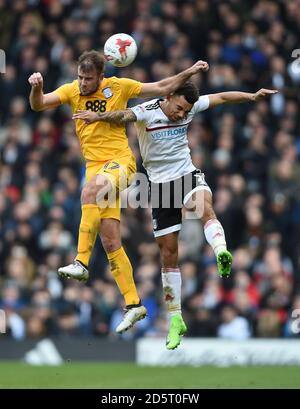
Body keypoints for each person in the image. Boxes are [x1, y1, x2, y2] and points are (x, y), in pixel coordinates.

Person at [73, 82, 277, 349]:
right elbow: (122, 115)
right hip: (159, 188)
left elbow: (223, 97)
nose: (181, 115)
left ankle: (220, 251)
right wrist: (98, 116)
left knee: (204, 206)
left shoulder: (189, 108)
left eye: (186, 111)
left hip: (186, 175)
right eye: (179, 108)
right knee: (169, 255)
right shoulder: (146, 111)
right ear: (168, 97)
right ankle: (175, 319)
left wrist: (251, 94)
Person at [28, 50, 209, 334]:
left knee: (89, 192)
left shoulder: (120, 86)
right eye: (80, 77)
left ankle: (80, 262)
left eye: (88, 78)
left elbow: (162, 88)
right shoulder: (72, 90)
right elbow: (39, 105)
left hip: (120, 163)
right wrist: (36, 88)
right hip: (95, 166)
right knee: (110, 240)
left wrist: (190, 71)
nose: (83, 82)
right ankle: (134, 304)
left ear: (101, 76)